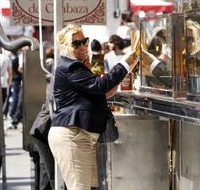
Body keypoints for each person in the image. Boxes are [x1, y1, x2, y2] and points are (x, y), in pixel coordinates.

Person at [47, 24, 136, 190]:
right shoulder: (71, 66)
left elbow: (81, 97)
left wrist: (103, 96)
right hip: (72, 136)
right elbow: (100, 84)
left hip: (80, 136)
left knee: (89, 187)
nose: (83, 46)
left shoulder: (76, 66)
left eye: (84, 41)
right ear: (66, 46)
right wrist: (125, 63)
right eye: (76, 44)